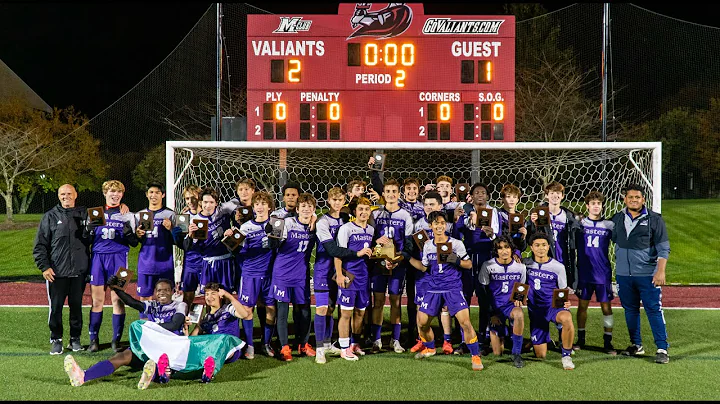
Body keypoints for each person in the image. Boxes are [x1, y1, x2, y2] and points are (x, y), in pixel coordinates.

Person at [63, 278, 187, 388]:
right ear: (155, 292)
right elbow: (132, 302)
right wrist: (116, 289)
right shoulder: (152, 305)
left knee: (159, 363)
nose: (162, 293)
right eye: (159, 290)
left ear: (172, 292)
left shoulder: (179, 305)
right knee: (121, 356)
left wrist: (149, 327)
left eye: (166, 290)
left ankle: (155, 375)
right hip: (151, 345)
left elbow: (174, 325)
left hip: (170, 347)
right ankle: (83, 376)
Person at [408, 211, 484, 371]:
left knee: (465, 322)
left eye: (442, 223)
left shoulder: (456, 244)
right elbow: (424, 267)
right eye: (436, 223)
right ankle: (430, 347)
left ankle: (475, 356)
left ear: (446, 225)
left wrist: (455, 260)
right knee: (422, 323)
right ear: (430, 226)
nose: (439, 226)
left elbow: (468, 264)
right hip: (433, 289)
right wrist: (406, 257)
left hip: (453, 288)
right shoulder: (427, 245)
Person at [611, 184, 670, 364]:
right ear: (625, 199)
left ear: (643, 199)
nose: (634, 200)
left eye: (637, 197)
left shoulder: (654, 219)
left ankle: (662, 348)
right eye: (630, 197)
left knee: (653, 309)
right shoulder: (617, 218)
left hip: (647, 274)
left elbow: (663, 248)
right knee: (630, 310)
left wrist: (660, 271)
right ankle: (636, 345)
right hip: (623, 275)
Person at [33, 184, 90, 355]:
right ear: (58, 196)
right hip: (56, 273)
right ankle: (56, 338)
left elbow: (97, 231)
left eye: (69, 193)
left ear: (76, 195)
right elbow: (40, 245)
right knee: (56, 307)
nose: (66, 196)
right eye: (63, 194)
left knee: (76, 307)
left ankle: (75, 339)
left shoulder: (84, 214)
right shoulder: (49, 217)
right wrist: (45, 267)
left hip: (78, 271)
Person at [86, 180, 138, 352]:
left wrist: (129, 233)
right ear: (105, 193)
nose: (115, 195)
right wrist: (88, 230)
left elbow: (134, 242)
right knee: (97, 300)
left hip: (120, 260)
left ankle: (116, 340)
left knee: (118, 300)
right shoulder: (96, 213)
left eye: (118, 192)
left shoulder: (128, 215)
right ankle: (94, 340)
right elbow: (87, 239)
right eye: (111, 191)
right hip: (98, 259)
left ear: (122, 195)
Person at [527, 181, 579, 348]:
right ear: (546, 195)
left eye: (558, 193)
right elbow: (531, 240)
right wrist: (532, 224)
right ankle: (543, 337)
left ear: (562, 196)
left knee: (560, 301)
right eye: (552, 193)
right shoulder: (539, 213)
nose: (555, 196)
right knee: (540, 298)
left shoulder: (569, 216)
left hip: (563, 262)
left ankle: (562, 340)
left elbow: (576, 240)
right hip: (544, 263)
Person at [452, 182, 500, 355]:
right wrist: (457, 221)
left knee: (485, 299)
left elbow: (499, 237)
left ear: (487, 196)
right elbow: (456, 237)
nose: (480, 195)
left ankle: (483, 338)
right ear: (471, 196)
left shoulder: (494, 213)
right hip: (469, 258)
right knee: (463, 299)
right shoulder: (464, 211)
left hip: (487, 258)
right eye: (477, 192)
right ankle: (464, 340)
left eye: (483, 192)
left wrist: (491, 234)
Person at [269, 192, 317, 361]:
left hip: (301, 275)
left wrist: (315, 220)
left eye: (310, 207)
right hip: (282, 273)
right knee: (282, 312)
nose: (306, 209)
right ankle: (284, 347)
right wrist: (272, 233)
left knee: (304, 311)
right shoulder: (288, 223)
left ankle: (303, 344)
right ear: (297, 209)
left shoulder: (315, 225)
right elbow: (274, 243)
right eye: (303, 207)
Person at [368, 178, 414, 354]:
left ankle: (395, 340)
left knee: (395, 300)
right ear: (384, 194)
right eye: (388, 192)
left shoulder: (405, 216)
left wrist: (396, 260)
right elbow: (369, 239)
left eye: (394, 192)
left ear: (399, 194)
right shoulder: (376, 214)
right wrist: (376, 244)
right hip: (379, 263)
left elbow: (409, 245)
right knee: (378, 301)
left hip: (397, 265)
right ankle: (377, 340)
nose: (391, 195)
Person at [408, 191, 454, 353]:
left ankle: (447, 341)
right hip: (423, 272)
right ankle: (423, 340)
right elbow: (412, 247)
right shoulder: (417, 224)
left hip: (442, 272)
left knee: (445, 307)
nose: (428, 207)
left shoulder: (447, 225)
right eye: (426, 204)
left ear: (440, 206)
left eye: (432, 204)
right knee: (421, 305)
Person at [572, 191, 617, 355]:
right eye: (593, 204)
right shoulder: (580, 224)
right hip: (584, 272)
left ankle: (607, 342)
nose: (596, 206)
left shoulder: (609, 225)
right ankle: (581, 339)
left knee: (606, 307)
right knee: (582, 305)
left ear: (602, 205)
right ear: (587, 206)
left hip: (602, 273)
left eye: (598, 203)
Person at [313, 187, 353, 363]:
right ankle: (319, 349)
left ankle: (328, 343)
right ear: (328, 201)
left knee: (331, 308)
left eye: (340, 200)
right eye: (334, 200)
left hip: (339, 270)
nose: (337, 203)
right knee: (321, 309)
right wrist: (356, 253)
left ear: (344, 201)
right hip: (323, 270)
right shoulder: (322, 222)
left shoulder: (345, 219)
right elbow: (332, 249)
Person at [524, 232, 576, 370]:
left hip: (553, 306)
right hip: (535, 310)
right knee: (540, 355)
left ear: (548, 247)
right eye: (537, 245)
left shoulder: (558, 267)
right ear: (531, 247)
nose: (541, 248)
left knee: (566, 318)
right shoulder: (525, 264)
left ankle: (566, 356)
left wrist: (565, 303)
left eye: (544, 245)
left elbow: (562, 289)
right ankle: (546, 340)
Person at [235, 191, 277, 359]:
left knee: (271, 310)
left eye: (263, 204)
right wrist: (234, 241)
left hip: (269, 275)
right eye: (257, 204)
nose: (260, 207)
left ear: (269, 206)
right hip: (250, 274)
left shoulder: (275, 225)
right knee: (247, 310)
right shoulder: (246, 227)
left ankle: (266, 343)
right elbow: (239, 252)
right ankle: (250, 345)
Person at [334, 197, 374, 361]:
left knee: (360, 313)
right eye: (360, 209)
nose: (364, 212)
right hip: (349, 276)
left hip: (364, 278)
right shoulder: (346, 229)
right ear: (354, 212)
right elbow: (338, 254)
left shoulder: (371, 230)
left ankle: (354, 343)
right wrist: (339, 274)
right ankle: (343, 348)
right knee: (346, 313)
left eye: (366, 209)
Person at [478, 235, 527, 368]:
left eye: (506, 247)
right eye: (500, 248)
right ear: (496, 251)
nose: (504, 251)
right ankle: (504, 332)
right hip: (494, 308)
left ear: (511, 249)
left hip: (510, 306)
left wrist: (519, 300)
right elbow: (484, 292)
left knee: (519, 314)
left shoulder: (520, 267)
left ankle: (516, 353)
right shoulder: (488, 266)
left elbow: (521, 287)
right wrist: (491, 314)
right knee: (497, 352)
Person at [184, 187, 240, 294]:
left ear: (216, 203)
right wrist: (191, 236)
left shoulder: (224, 210)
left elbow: (241, 201)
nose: (208, 205)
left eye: (211, 202)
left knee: (226, 295)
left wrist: (231, 232)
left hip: (225, 260)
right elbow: (189, 247)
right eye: (205, 202)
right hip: (208, 263)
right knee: (210, 296)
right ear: (200, 202)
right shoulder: (194, 220)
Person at [135, 183, 176, 310]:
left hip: (165, 265)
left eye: (157, 192)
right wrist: (137, 234)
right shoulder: (138, 215)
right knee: (145, 301)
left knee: (165, 299)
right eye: (151, 192)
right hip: (146, 264)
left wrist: (171, 229)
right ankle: (145, 329)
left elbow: (178, 240)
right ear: (147, 195)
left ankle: (164, 328)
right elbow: (134, 241)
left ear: (163, 195)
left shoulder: (170, 215)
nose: (154, 195)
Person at [176, 184, 203, 309]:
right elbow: (181, 243)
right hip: (191, 260)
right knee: (187, 296)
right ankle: (184, 326)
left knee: (210, 295)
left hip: (205, 259)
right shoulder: (183, 218)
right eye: (187, 199)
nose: (190, 201)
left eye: (193, 197)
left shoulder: (208, 214)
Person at [496, 184, 528, 256]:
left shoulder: (522, 220)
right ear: (503, 199)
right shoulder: (497, 215)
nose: (511, 199)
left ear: (518, 200)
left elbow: (523, 248)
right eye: (508, 196)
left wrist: (523, 237)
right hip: (500, 255)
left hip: (516, 257)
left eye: (514, 197)